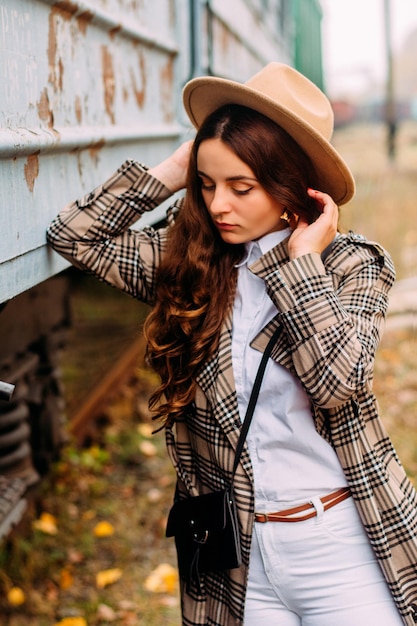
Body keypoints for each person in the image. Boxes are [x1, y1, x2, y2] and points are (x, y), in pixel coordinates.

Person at [47, 63, 417, 626]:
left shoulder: (352, 266)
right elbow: (74, 233)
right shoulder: (192, 270)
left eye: (240, 187)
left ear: (292, 186)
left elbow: (338, 382)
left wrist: (301, 264)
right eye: (208, 184)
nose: (218, 205)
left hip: (343, 547)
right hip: (238, 560)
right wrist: (174, 170)